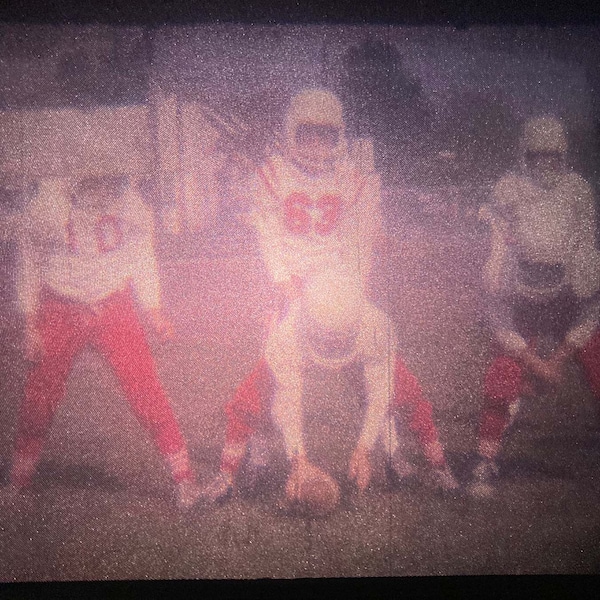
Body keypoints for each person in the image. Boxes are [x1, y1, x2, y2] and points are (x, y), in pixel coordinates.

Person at [202, 89, 458, 506]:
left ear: (338, 135)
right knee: (273, 378)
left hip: (340, 284)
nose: (317, 144)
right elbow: (267, 235)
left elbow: (360, 235)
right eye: (307, 134)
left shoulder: (351, 176)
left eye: (325, 135)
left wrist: (357, 282)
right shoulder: (272, 174)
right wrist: (284, 284)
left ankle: (391, 451)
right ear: (291, 133)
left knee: (378, 373)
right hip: (291, 285)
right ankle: (264, 454)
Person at [7, 172, 201, 510]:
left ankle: (184, 480)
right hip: (60, 305)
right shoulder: (47, 205)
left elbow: (141, 258)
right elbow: (31, 263)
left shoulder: (131, 203)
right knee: (40, 396)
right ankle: (18, 481)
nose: (104, 189)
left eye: (109, 180)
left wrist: (153, 309)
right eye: (95, 180)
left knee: (145, 388)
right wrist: (29, 323)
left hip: (114, 303)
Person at [470, 116, 600, 497]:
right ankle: (486, 458)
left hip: (567, 303)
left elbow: (590, 315)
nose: (545, 164)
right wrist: (537, 365)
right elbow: (499, 325)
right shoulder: (502, 266)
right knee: (503, 374)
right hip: (520, 309)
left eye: (552, 157)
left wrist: (557, 360)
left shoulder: (579, 237)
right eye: (537, 156)